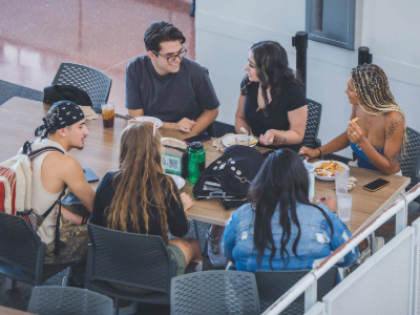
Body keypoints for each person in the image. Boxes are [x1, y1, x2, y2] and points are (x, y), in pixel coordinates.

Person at [90, 122, 202, 290]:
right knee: (194, 244)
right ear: (156, 150)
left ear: (124, 149)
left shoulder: (108, 179)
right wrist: (182, 206)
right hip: (154, 277)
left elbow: (94, 226)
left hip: (111, 272)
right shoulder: (165, 184)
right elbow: (180, 230)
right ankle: (186, 300)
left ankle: (125, 304)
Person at [223, 149, 358, 272]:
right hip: (312, 296)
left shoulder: (240, 216)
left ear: (262, 180)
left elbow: (228, 254)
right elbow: (350, 256)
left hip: (253, 297)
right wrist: (330, 214)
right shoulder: (322, 216)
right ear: (303, 181)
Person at [300, 64, 406, 175]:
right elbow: (349, 136)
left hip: (389, 181)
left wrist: (362, 142)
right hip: (362, 173)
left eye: (350, 89)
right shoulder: (359, 105)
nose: (346, 91)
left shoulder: (393, 119)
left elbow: (389, 168)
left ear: (365, 93)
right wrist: (316, 152)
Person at [125, 21, 220, 134]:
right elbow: (138, 120)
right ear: (152, 55)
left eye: (180, 52)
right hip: (150, 134)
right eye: (169, 56)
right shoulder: (135, 69)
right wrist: (171, 126)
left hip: (186, 135)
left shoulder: (196, 73)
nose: (177, 59)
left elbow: (212, 111)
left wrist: (187, 137)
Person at [30, 101, 95, 264]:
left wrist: (82, 221)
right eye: (81, 127)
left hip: (19, 240)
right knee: (107, 236)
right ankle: (79, 283)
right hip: (45, 248)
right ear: (63, 131)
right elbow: (97, 208)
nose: (86, 132)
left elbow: (46, 204)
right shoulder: (66, 164)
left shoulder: (31, 147)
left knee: (76, 207)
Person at [235, 40, 308, 151]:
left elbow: (298, 135)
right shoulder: (248, 82)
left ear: (267, 69)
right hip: (253, 148)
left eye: (252, 65)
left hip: (282, 154)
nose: (246, 68)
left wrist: (276, 134)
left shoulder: (294, 92)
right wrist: (247, 140)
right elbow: (240, 117)